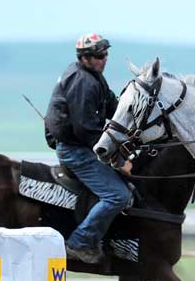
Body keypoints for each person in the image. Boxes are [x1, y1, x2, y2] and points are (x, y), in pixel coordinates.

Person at [44, 33, 132, 263]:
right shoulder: (84, 82)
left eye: (105, 54)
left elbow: (114, 108)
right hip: (77, 150)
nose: (104, 59)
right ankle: (80, 242)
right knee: (117, 195)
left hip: (81, 144)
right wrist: (119, 160)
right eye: (98, 56)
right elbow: (86, 130)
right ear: (84, 58)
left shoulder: (94, 77)